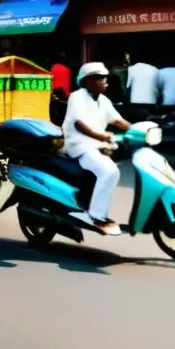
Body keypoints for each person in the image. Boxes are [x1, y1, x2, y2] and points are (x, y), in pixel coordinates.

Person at [63, 62, 132, 235]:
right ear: (88, 81)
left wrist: (140, 131)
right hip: (80, 146)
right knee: (109, 171)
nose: (105, 80)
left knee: (107, 171)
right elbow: (79, 124)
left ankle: (94, 209)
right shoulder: (77, 97)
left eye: (105, 77)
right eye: (100, 78)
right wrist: (102, 136)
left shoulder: (103, 100)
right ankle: (94, 215)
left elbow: (117, 121)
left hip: (97, 146)